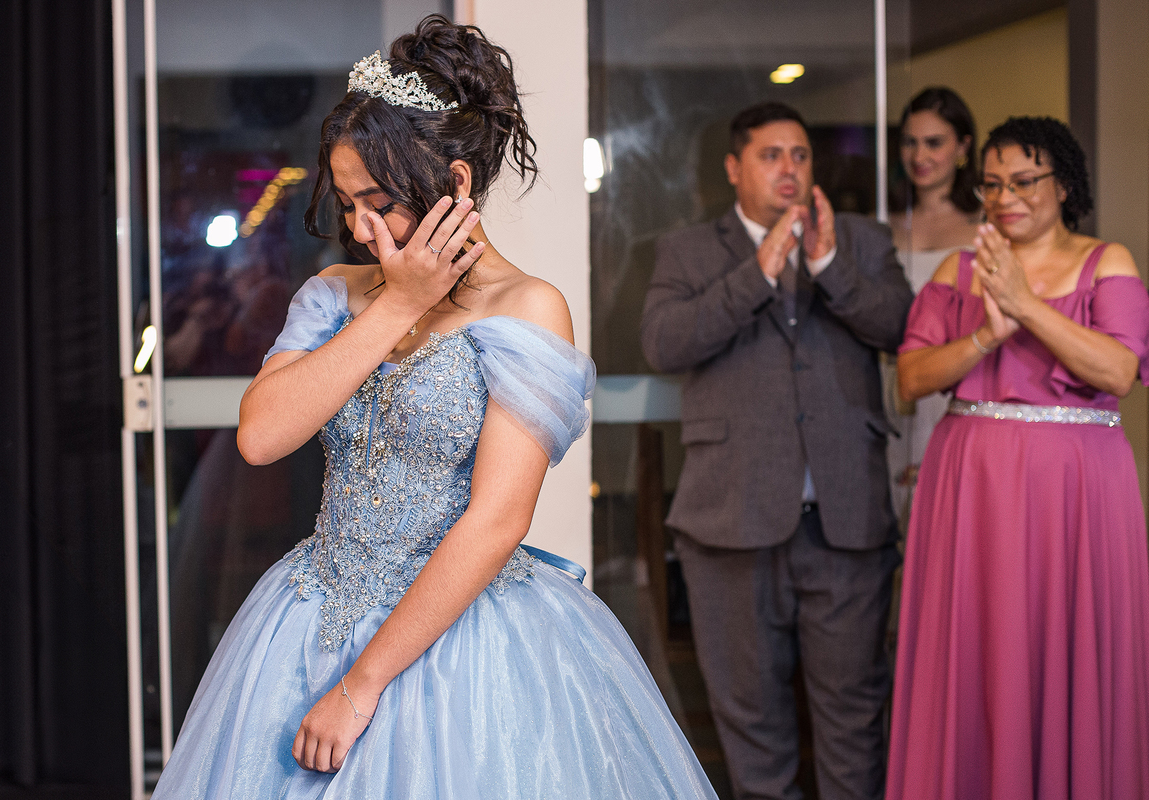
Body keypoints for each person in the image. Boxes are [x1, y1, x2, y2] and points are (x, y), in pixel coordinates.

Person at [152, 15, 719, 799]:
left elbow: (497, 520)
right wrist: (396, 304)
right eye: (346, 203)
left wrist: (362, 687)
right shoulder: (335, 293)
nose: (359, 228)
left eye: (377, 202)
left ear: (454, 183)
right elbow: (261, 436)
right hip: (312, 615)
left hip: (467, 640)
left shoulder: (528, 308)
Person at [641, 102, 913, 800]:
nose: (789, 168)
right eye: (771, 155)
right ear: (734, 168)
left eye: (800, 155)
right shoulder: (688, 251)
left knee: (854, 721)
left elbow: (901, 327)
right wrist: (756, 275)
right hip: (731, 524)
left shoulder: (863, 240)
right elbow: (664, 344)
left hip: (847, 525)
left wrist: (827, 264)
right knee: (753, 726)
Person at [887, 116, 1149, 799]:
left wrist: (1025, 305)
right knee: (979, 652)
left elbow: (1118, 371)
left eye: (1025, 181)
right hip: (972, 486)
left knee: (1067, 650)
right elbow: (910, 380)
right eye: (994, 184)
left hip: (1078, 490)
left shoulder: (1107, 262)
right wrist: (984, 334)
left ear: (1063, 185)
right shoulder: (960, 269)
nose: (1007, 198)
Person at [885, 87, 983, 523]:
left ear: (963, 147)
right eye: (910, 142)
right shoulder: (881, 221)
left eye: (934, 142)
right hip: (889, 378)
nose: (919, 155)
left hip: (955, 379)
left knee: (947, 512)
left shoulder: (987, 225)